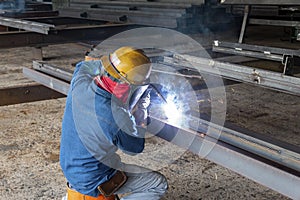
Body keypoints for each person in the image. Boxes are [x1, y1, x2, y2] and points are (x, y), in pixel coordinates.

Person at [60, 46, 168, 200]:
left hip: (72, 170)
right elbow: (135, 147)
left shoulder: (80, 82)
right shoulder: (115, 116)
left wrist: (113, 64)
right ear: (126, 85)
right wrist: (141, 112)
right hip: (94, 180)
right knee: (158, 183)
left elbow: (83, 66)